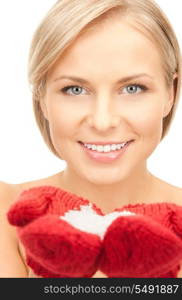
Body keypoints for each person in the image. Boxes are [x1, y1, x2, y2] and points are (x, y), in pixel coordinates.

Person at [0, 0, 182, 278]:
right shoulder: (6, 212)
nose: (102, 121)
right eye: (74, 89)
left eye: (133, 88)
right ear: (42, 98)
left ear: (170, 93)